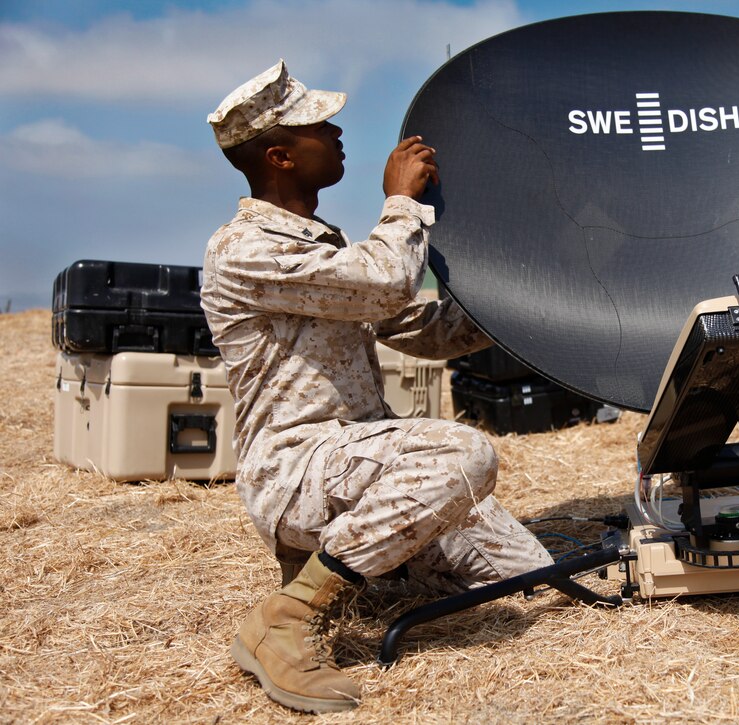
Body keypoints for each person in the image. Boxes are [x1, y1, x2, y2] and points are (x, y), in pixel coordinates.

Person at [202, 60, 551, 714]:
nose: (338, 132)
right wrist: (403, 202)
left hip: (361, 466)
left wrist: (525, 304)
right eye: (319, 126)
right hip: (299, 469)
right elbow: (389, 283)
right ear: (279, 154)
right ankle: (286, 618)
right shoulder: (244, 248)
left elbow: (420, 326)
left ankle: (367, 572)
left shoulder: (319, 247)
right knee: (464, 455)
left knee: (531, 577)